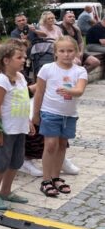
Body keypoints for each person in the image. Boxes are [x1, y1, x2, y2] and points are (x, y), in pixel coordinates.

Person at [32, 36, 88, 197]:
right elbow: (39, 92)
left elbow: (80, 90)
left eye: (70, 51)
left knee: (62, 145)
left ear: (76, 52)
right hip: (50, 112)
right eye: (62, 51)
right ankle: (46, 180)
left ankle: (56, 177)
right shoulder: (47, 69)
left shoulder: (80, 70)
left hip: (69, 115)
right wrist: (36, 114)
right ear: (55, 53)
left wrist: (69, 91)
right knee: (50, 145)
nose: (66, 54)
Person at [0, 42, 34, 210]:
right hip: (6, 129)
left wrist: (28, 121)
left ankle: (6, 191)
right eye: (19, 57)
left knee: (16, 161)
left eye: (24, 57)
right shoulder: (1, 81)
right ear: (6, 60)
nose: (23, 60)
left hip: (20, 127)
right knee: (1, 161)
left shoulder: (20, 77)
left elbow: (23, 99)